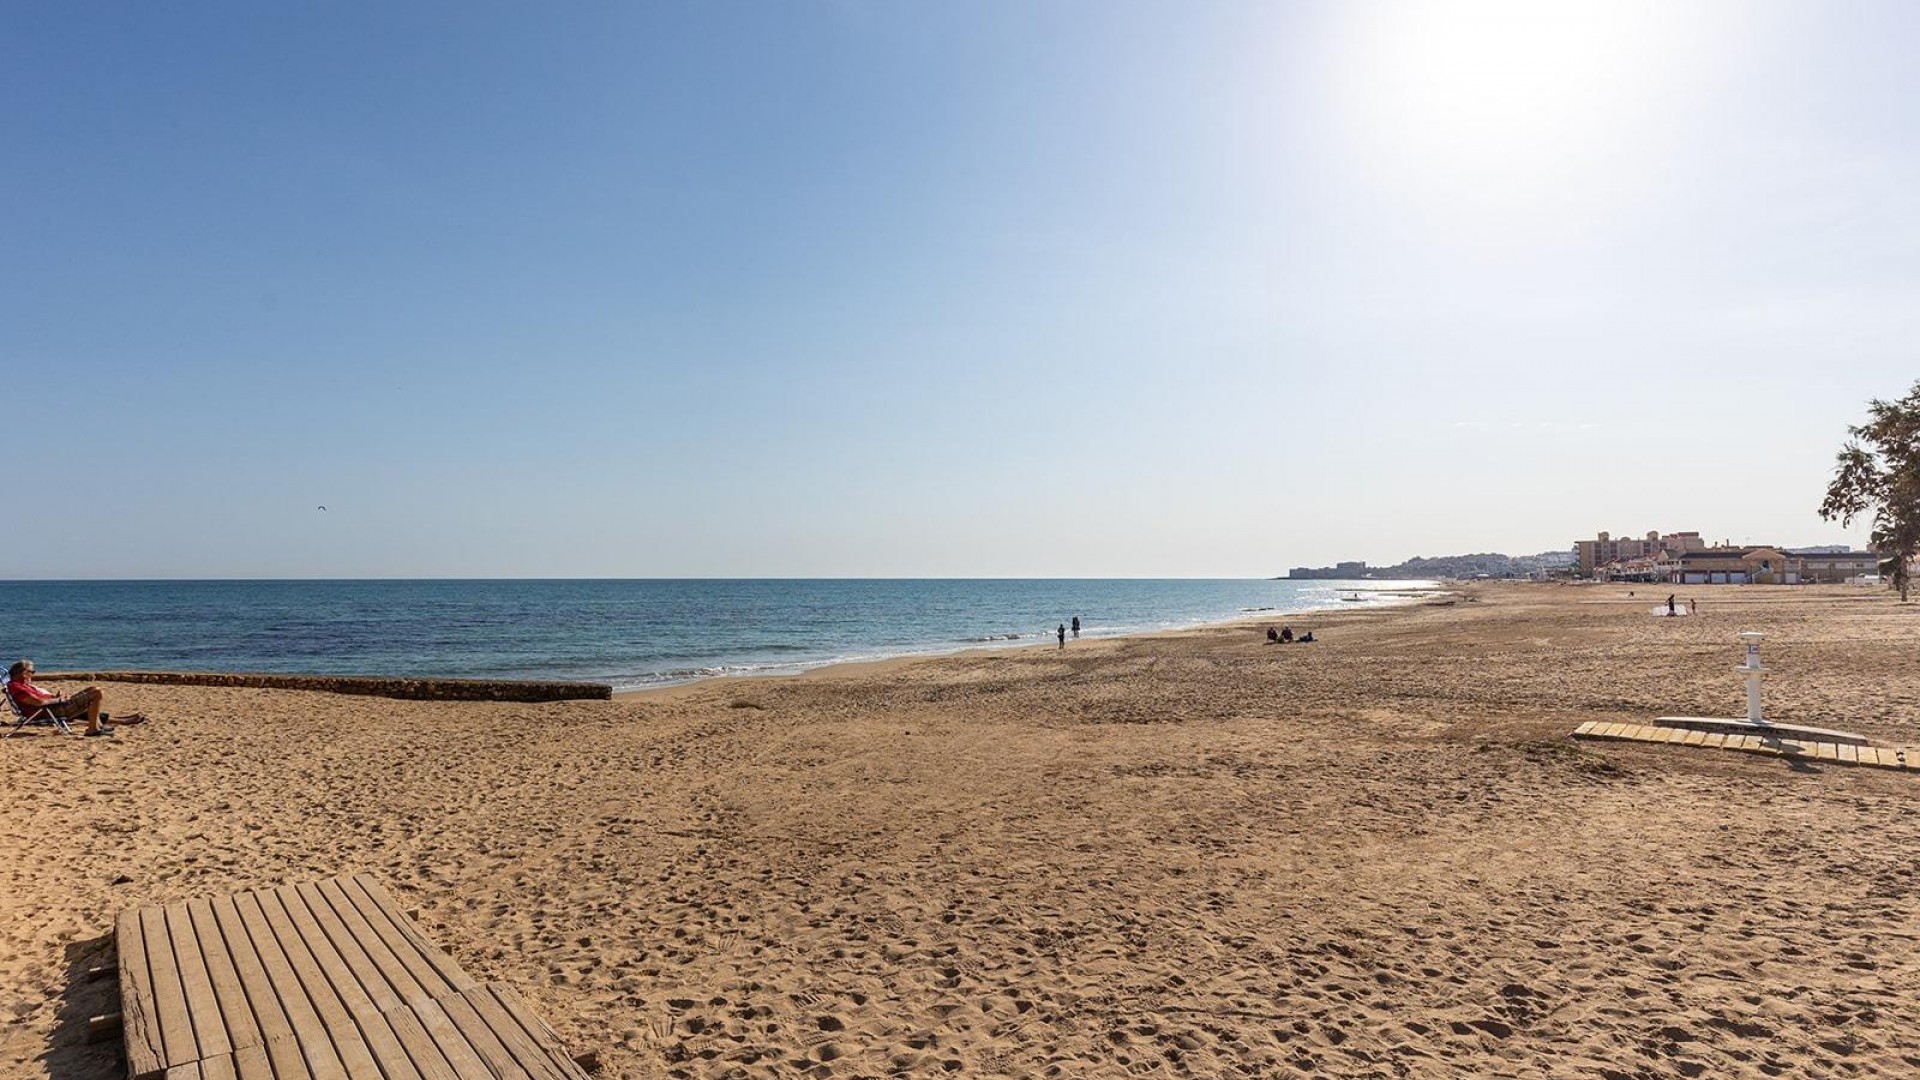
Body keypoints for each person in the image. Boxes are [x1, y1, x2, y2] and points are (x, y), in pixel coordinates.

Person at [6, 660, 144, 737]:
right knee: (96, 693)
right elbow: (39, 702)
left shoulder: (24, 685)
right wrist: (60, 700)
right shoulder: (17, 687)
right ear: (23, 673)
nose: (33, 674)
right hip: (49, 711)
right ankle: (93, 729)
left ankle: (97, 726)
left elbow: (41, 699)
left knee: (91, 692)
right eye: (32, 671)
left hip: (52, 707)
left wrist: (57, 697)